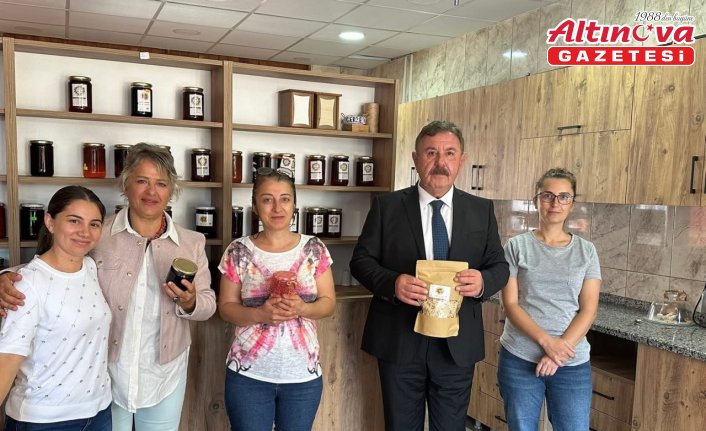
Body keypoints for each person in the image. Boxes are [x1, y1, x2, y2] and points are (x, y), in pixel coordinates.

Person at [0, 143, 217, 431]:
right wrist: (6, 276)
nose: (151, 192)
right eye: (142, 181)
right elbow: (56, 266)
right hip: (107, 372)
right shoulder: (98, 233)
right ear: (126, 184)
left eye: (161, 183)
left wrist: (190, 302)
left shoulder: (192, 242)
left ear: (172, 190)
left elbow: (208, 304)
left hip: (165, 369)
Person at [350, 120, 509, 431]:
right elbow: (361, 261)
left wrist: (483, 282)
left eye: (449, 153)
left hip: (456, 344)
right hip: (399, 340)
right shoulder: (387, 206)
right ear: (415, 158)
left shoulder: (481, 210)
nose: (440, 162)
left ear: (462, 160)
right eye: (431, 152)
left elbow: (499, 266)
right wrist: (392, 283)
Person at [218, 167, 336, 431]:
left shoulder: (314, 248)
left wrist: (303, 308)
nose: (277, 207)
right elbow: (226, 308)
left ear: (294, 205)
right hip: (248, 375)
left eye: (285, 199)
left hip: (302, 377)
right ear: (255, 206)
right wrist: (260, 314)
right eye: (267, 199)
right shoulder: (238, 250)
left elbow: (328, 302)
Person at [0, 186, 112, 430]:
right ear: (50, 222)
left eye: (94, 224)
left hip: (98, 411)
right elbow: (7, 357)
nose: (85, 232)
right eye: (74, 221)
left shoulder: (90, 268)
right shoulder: (28, 284)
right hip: (44, 419)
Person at [497, 168, 601, 431]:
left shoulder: (587, 251)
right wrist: (547, 343)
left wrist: (557, 354)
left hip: (571, 363)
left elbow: (588, 311)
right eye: (547, 195)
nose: (555, 203)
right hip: (520, 358)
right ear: (536, 200)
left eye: (564, 196)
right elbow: (510, 304)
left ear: (572, 203)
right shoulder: (516, 247)